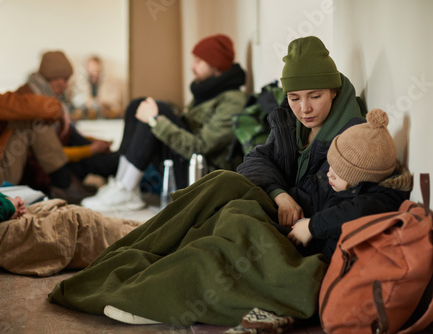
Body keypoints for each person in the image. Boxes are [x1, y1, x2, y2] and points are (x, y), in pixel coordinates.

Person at [48, 36, 411, 327]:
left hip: (299, 229)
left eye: (315, 96)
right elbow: (255, 158)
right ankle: (134, 256)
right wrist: (279, 193)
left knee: (231, 218)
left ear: (333, 90)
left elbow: (353, 201)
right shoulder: (291, 120)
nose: (305, 108)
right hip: (282, 205)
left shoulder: (354, 141)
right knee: (220, 183)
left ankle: (154, 293)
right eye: (295, 97)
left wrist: (300, 215)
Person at [0, 40, 139, 276]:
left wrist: (5, 203)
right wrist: (4, 205)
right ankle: (156, 237)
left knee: (60, 210)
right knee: (74, 222)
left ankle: (155, 230)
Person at [81, 34, 248, 212]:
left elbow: (201, 146)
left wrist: (156, 120)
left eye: (199, 61)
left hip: (202, 174)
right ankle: (123, 184)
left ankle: (126, 189)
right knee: (136, 105)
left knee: (156, 110)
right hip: (184, 162)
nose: (192, 66)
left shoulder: (233, 100)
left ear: (216, 64)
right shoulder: (207, 91)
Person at [0, 31, 92, 204]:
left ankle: (66, 183)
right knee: (32, 122)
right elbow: (10, 105)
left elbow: (8, 105)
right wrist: (57, 107)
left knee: (32, 118)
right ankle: (64, 184)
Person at [16, 50, 112, 193]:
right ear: (52, 77)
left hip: (53, 161)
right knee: (91, 159)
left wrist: (93, 143)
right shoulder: (35, 103)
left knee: (79, 139)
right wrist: (91, 149)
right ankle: (124, 167)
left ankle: (122, 165)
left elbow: (63, 137)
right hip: (39, 170)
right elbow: (52, 151)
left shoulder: (47, 96)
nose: (66, 85)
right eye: (64, 79)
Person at [70, 55, 124, 119]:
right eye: (91, 65)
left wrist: (102, 101)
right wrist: (87, 101)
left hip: (104, 112)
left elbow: (115, 99)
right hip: (85, 112)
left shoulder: (110, 81)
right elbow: (74, 98)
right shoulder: (80, 80)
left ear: (100, 66)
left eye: (95, 65)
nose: (93, 68)